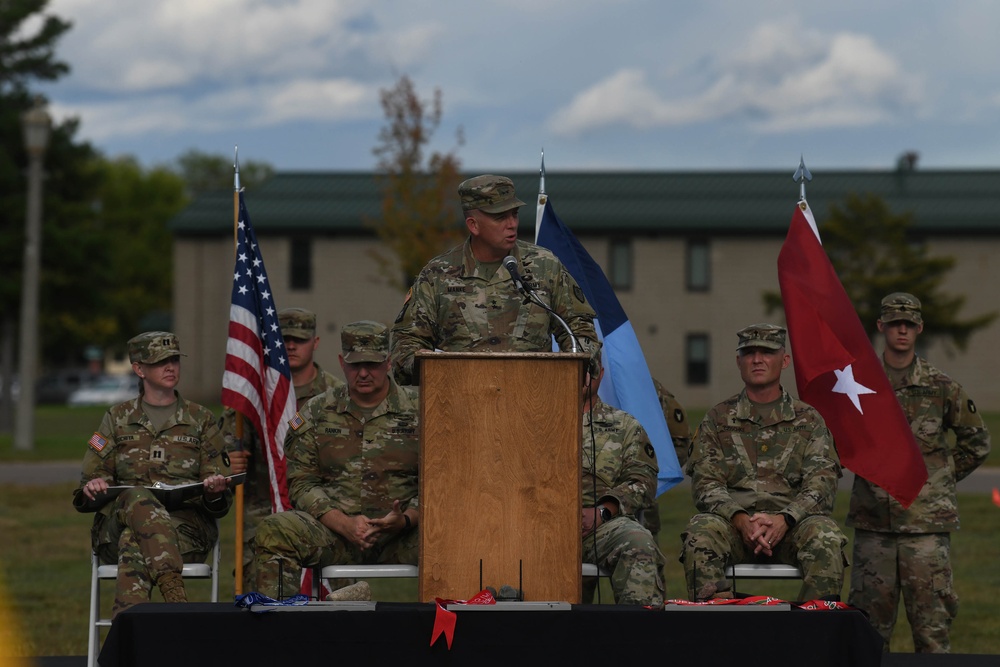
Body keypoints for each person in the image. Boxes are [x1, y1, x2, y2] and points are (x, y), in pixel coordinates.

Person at [847, 293, 990, 653]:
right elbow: (838, 439)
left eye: (908, 324)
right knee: (866, 631)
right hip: (874, 525)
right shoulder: (857, 385)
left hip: (925, 529)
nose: (901, 331)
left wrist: (937, 479)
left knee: (932, 631)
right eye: (894, 323)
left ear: (919, 329)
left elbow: (977, 440)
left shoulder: (940, 386)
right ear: (881, 327)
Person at [250, 321, 420, 598]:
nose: (363, 373)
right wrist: (343, 523)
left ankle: (446, 627)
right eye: (355, 365)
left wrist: (407, 519)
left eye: (372, 364)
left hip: (403, 536)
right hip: (336, 536)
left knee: (456, 532)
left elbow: (439, 482)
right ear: (342, 362)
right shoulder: (318, 410)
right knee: (275, 529)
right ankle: (279, 627)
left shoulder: (420, 411)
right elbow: (301, 482)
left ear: (388, 363)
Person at [680, 323, 846, 602]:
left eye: (767, 352)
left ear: (784, 360)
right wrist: (740, 519)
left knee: (826, 536)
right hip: (733, 527)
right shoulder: (718, 419)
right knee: (700, 532)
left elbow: (823, 482)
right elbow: (705, 482)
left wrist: (785, 518)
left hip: (792, 528)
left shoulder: (809, 420)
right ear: (738, 361)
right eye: (749, 353)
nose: (757, 359)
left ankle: (815, 632)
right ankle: (714, 630)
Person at [73, 331, 232, 617]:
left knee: (134, 543)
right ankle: (175, 596)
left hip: (185, 533)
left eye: (174, 360)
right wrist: (95, 486)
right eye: (160, 362)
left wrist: (215, 491)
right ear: (138, 369)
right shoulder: (117, 418)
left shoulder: (201, 419)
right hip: (118, 527)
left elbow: (221, 501)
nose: (170, 367)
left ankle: (128, 644)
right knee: (136, 497)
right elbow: (88, 484)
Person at [390, 174, 601, 385]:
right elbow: (406, 344)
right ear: (474, 225)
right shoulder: (437, 274)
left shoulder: (544, 266)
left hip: (535, 400)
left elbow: (579, 327)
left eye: (515, 214)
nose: (512, 224)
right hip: (458, 402)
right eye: (500, 217)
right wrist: (432, 370)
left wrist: (579, 366)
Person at [223, 307, 343, 592]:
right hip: (264, 509)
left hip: (327, 508)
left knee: (340, 598)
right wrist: (228, 462)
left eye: (299, 340)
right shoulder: (252, 396)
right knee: (261, 587)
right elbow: (226, 450)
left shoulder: (337, 395)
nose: (290, 346)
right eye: (285, 338)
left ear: (315, 343)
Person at [581, 364, 665, 606]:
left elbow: (643, 479)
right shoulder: (536, 417)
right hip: (541, 528)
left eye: (591, 367)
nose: (585, 375)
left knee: (637, 541)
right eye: (578, 366)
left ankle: (635, 636)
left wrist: (603, 511)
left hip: (599, 527)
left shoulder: (624, 425)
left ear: (601, 372)